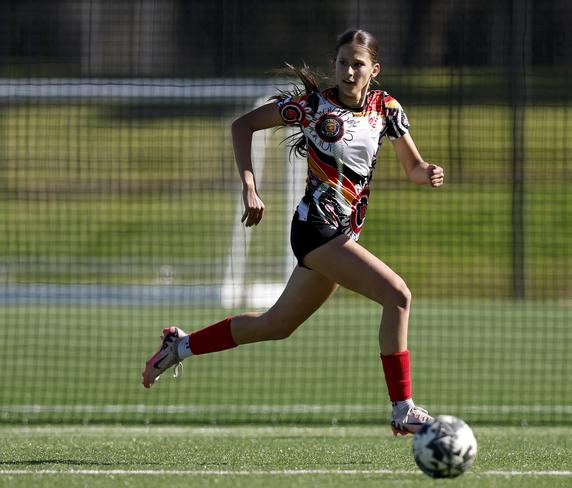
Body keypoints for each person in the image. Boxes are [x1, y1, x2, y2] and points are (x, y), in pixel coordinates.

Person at [142, 29, 444, 436]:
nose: (349, 71)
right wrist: (249, 185)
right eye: (342, 63)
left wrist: (428, 173)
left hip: (343, 234)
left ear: (375, 69)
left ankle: (179, 345)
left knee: (276, 325)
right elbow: (243, 126)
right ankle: (402, 408)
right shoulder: (313, 106)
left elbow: (413, 167)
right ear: (333, 65)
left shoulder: (386, 108)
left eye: (358, 64)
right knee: (398, 295)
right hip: (316, 229)